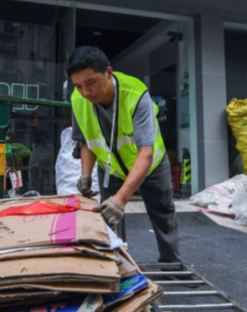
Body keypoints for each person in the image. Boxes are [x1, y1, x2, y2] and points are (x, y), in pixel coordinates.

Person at [68, 46, 180, 264]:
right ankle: (118, 264)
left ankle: (172, 263)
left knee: (163, 213)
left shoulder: (136, 95)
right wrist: (85, 175)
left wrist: (121, 199)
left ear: (108, 73)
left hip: (151, 165)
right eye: (79, 86)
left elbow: (146, 153)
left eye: (90, 83)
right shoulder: (78, 100)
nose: (86, 92)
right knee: (108, 218)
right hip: (111, 167)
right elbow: (87, 141)